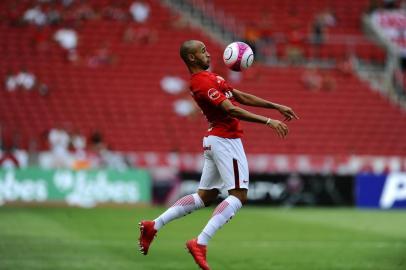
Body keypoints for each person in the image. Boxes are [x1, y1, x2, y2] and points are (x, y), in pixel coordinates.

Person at [138, 40, 299, 270]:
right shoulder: (201, 82)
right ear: (192, 58)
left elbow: (239, 96)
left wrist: (275, 106)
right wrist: (268, 121)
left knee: (205, 195)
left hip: (216, 139)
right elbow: (231, 109)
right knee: (239, 196)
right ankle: (200, 242)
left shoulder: (211, 77)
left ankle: (153, 225)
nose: (208, 53)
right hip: (226, 141)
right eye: (202, 51)